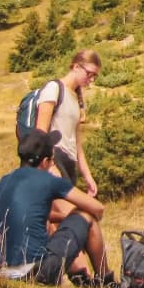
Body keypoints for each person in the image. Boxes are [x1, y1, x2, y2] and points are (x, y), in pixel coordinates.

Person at [0, 129, 115, 287]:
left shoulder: (4, 180)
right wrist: (75, 217)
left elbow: (33, 215)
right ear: (45, 162)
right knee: (86, 215)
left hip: (0, 271)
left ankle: (81, 277)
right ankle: (106, 279)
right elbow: (97, 208)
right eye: (52, 159)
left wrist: (63, 218)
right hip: (36, 271)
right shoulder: (48, 180)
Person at [34, 50, 101, 195]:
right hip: (54, 158)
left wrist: (87, 176)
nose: (91, 80)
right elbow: (40, 132)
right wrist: (50, 165)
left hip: (70, 163)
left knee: (67, 214)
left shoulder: (77, 99)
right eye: (89, 74)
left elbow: (77, 144)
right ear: (76, 67)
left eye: (95, 76)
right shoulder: (54, 89)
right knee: (65, 212)